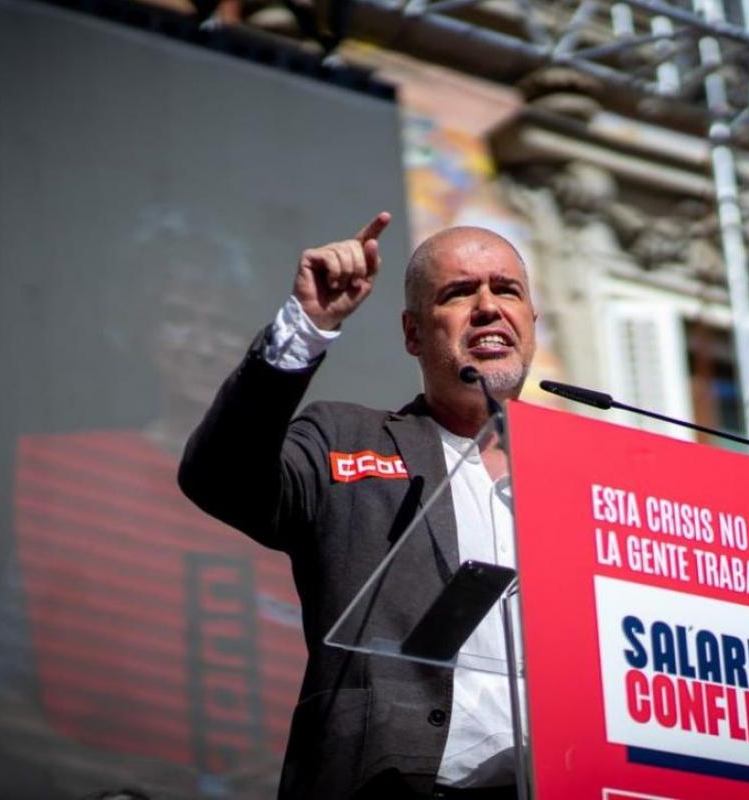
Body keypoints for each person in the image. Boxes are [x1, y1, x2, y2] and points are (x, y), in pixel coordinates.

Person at [178, 211, 536, 799]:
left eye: (506, 290)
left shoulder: (583, 477)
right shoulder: (345, 437)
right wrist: (306, 327)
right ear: (413, 333)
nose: (488, 306)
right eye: (458, 292)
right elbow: (220, 477)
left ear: (530, 320)